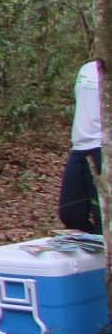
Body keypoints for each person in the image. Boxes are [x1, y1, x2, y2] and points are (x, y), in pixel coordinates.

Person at [59, 59, 103, 233]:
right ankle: (94, 250)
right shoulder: (87, 68)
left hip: (103, 146)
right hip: (79, 147)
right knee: (70, 213)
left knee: (103, 213)